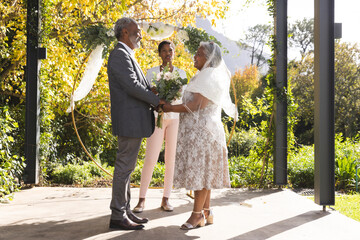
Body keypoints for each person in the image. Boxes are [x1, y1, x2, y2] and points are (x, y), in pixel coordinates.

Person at [162, 41, 237, 230]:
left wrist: (169, 107)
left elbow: (196, 105)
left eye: (199, 54)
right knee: (205, 173)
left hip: (203, 134)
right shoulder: (203, 75)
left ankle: (196, 216)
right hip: (201, 133)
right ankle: (207, 211)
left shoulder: (209, 76)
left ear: (209, 59)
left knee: (200, 175)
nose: (194, 57)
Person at [107, 17, 165, 231]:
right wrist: (156, 100)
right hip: (129, 121)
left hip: (133, 120)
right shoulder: (119, 55)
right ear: (124, 33)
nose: (140, 34)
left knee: (128, 168)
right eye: (136, 30)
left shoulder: (126, 54)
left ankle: (125, 210)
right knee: (124, 167)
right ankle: (117, 215)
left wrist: (153, 91)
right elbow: (131, 86)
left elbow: (138, 84)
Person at [133, 40, 187, 213]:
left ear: (174, 52)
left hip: (175, 119)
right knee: (150, 158)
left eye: (170, 50)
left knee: (171, 159)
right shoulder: (151, 73)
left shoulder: (181, 73)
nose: (167, 53)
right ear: (159, 54)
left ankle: (166, 199)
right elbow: (146, 95)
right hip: (157, 118)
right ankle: (141, 199)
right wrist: (155, 96)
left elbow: (183, 97)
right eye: (164, 51)